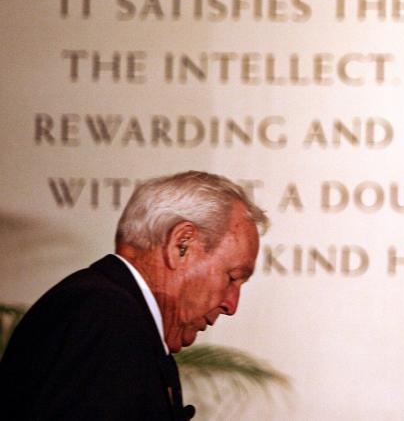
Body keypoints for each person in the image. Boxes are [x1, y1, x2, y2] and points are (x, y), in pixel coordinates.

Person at [0, 170, 267, 419]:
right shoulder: (105, 317)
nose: (232, 305)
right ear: (182, 244)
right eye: (232, 277)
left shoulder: (114, 315)